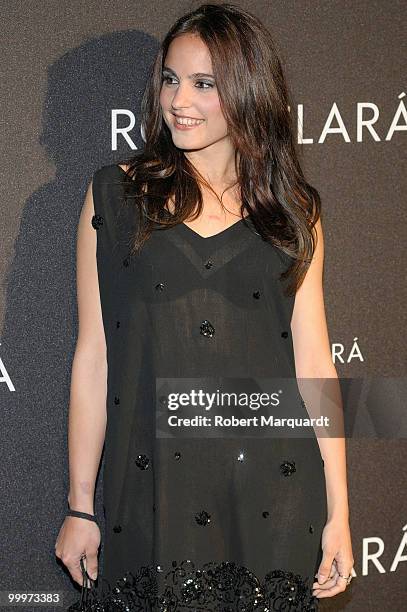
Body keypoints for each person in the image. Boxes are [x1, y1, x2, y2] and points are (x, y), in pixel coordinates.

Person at [55, 3, 354, 610]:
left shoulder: (295, 212)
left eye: (203, 84)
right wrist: (80, 504)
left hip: (274, 490)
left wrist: (339, 512)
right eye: (170, 79)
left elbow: (314, 365)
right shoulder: (115, 195)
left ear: (246, 90)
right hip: (151, 488)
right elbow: (94, 358)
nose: (178, 101)